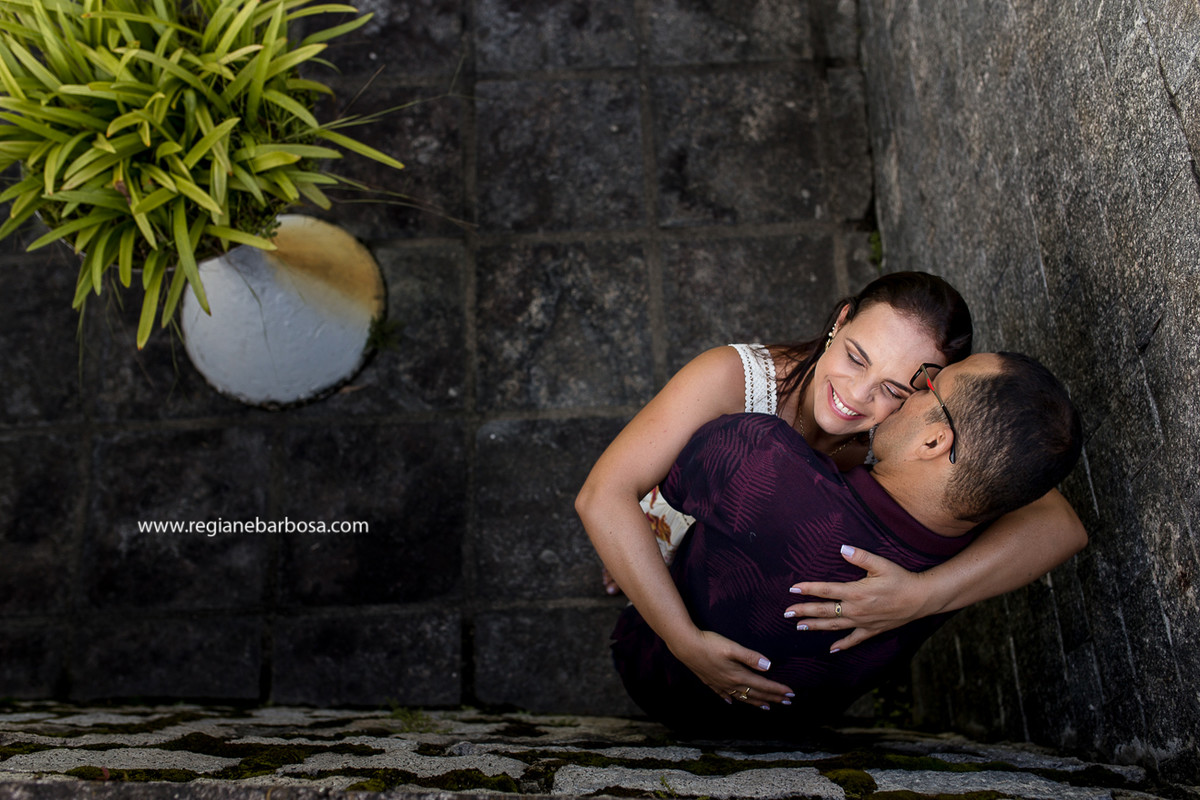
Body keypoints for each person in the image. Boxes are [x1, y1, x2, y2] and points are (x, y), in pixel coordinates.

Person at [576, 272, 1086, 660]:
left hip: (750, 570)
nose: (855, 397)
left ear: (929, 398)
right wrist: (684, 640)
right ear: (839, 323)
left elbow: (1058, 522)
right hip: (675, 521)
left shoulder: (898, 435)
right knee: (634, 551)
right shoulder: (730, 379)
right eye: (856, 357)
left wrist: (922, 596)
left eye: (895, 389)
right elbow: (603, 495)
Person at [607, 352, 1083, 736]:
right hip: (793, 726)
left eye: (931, 386)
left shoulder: (762, 459)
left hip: (659, 672)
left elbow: (634, 488)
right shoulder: (985, 536)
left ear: (936, 442)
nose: (913, 387)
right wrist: (924, 594)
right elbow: (1064, 523)